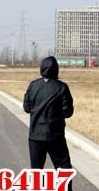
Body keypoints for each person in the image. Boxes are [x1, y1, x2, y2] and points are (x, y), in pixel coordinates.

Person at [23, 56, 75, 189]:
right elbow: (68, 112)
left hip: (35, 136)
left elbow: (27, 108)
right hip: (55, 136)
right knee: (63, 169)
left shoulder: (33, 85)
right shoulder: (62, 87)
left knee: (36, 171)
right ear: (56, 69)